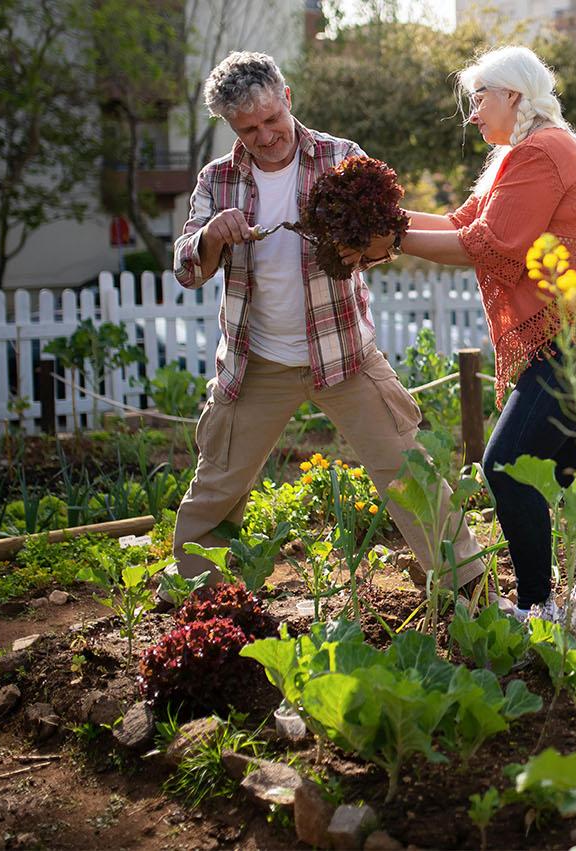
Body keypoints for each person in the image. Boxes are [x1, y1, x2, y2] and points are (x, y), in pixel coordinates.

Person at [170, 51, 486, 605]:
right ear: (230, 127)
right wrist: (212, 236)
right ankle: (201, 609)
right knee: (217, 485)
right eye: (249, 129)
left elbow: (389, 241)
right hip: (256, 362)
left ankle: (472, 594)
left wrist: (360, 243)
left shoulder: (343, 159)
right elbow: (186, 269)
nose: (266, 136)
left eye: (272, 119)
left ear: (286, 98)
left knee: (409, 471)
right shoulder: (216, 180)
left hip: (344, 355)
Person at [372, 46, 576, 639]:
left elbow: (490, 244)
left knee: (506, 462)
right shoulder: (517, 156)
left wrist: (389, 238)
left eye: (478, 99)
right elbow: (462, 224)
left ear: (512, 95)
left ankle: (538, 607)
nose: (472, 115)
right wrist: (384, 220)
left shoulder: (544, 150)